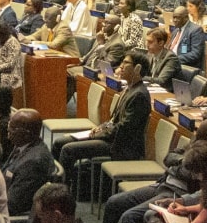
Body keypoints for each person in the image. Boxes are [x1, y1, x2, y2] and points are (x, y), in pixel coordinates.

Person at [54, 52, 151, 182]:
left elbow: (124, 128)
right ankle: (53, 181)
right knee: (59, 143)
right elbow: (114, 120)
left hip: (119, 145)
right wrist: (101, 127)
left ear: (137, 69)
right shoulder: (129, 88)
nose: (121, 66)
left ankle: (61, 188)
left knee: (68, 150)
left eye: (126, 63)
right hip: (111, 137)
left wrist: (100, 133)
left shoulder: (139, 95)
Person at [1, 108, 53, 216]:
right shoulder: (23, 145)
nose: (8, 131)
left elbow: (12, 205)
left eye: (13, 128)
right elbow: (6, 172)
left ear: (26, 133)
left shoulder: (32, 164)